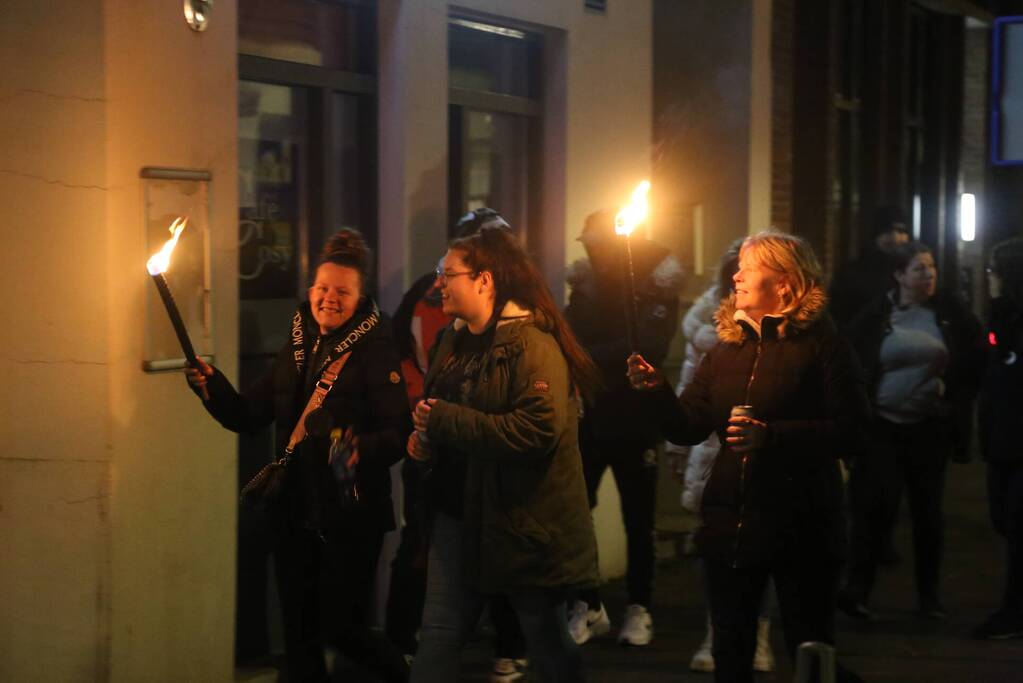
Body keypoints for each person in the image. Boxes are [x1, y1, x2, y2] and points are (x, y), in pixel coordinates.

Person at [627, 231, 870, 683]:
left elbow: (854, 431)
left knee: (810, 647)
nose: (735, 275)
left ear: (784, 284)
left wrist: (772, 437)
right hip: (730, 523)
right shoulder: (725, 348)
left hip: (803, 526)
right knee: (730, 649)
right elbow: (690, 424)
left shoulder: (824, 348)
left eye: (749, 267)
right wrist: (656, 391)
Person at [185, 230, 412, 683]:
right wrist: (213, 388)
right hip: (292, 511)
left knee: (341, 628)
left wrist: (352, 447)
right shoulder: (296, 341)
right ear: (311, 290)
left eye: (342, 292)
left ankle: (404, 674)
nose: (329, 299)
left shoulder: (376, 348)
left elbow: (399, 433)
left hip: (349, 515)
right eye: (323, 288)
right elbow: (250, 414)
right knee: (299, 635)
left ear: (359, 296)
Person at [407, 225, 600, 683]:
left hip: (518, 521)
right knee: (438, 632)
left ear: (484, 280)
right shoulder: (451, 340)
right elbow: (442, 412)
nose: (438, 282)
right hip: (457, 514)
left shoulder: (533, 345)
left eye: (447, 272)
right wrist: (423, 442)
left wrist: (445, 421)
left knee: (545, 639)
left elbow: (535, 430)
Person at [386, 208, 530, 682]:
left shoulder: (524, 325)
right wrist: (421, 412)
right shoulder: (438, 312)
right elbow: (406, 356)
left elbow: (532, 424)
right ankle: (402, 644)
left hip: (496, 481)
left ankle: (511, 646)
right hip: (443, 471)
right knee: (425, 564)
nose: (444, 282)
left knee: (508, 576)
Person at [840, 241, 984, 620]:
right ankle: (857, 590)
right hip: (882, 427)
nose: (929, 274)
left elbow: (973, 360)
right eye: (919, 268)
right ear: (899, 275)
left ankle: (928, 596)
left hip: (928, 430)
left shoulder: (949, 313)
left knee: (927, 514)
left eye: (931, 267)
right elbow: (852, 359)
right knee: (873, 509)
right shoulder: (879, 314)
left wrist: (952, 399)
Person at [564, 208, 685, 646]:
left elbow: (648, 345)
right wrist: (599, 354)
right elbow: (569, 339)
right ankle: (587, 602)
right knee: (578, 515)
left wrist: (591, 355)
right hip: (592, 417)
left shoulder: (653, 283)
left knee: (639, 518)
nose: (593, 253)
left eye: (599, 245)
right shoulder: (586, 286)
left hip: (636, 420)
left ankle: (640, 606)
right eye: (589, 246)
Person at [665, 239, 774, 674]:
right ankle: (718, 631)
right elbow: (690, 386)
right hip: (713, 445)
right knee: (715, 544)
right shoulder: (706, 325)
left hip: (760, 444)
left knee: (757, 546)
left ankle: (758, 633)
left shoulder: (780, 326)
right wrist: (677, 445)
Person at [974, 237, 1023, 639]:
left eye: (992, 271)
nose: (987, 278)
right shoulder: (1002, 317)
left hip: (1016, 442)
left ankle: (1014, 612)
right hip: (1003, 443)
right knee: (1006, 521)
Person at [830, 205, 911, 328]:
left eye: (900, 231)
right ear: (875, 236)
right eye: (887, 231)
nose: (895, 238)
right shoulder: (853, 273)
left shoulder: (914, 270)